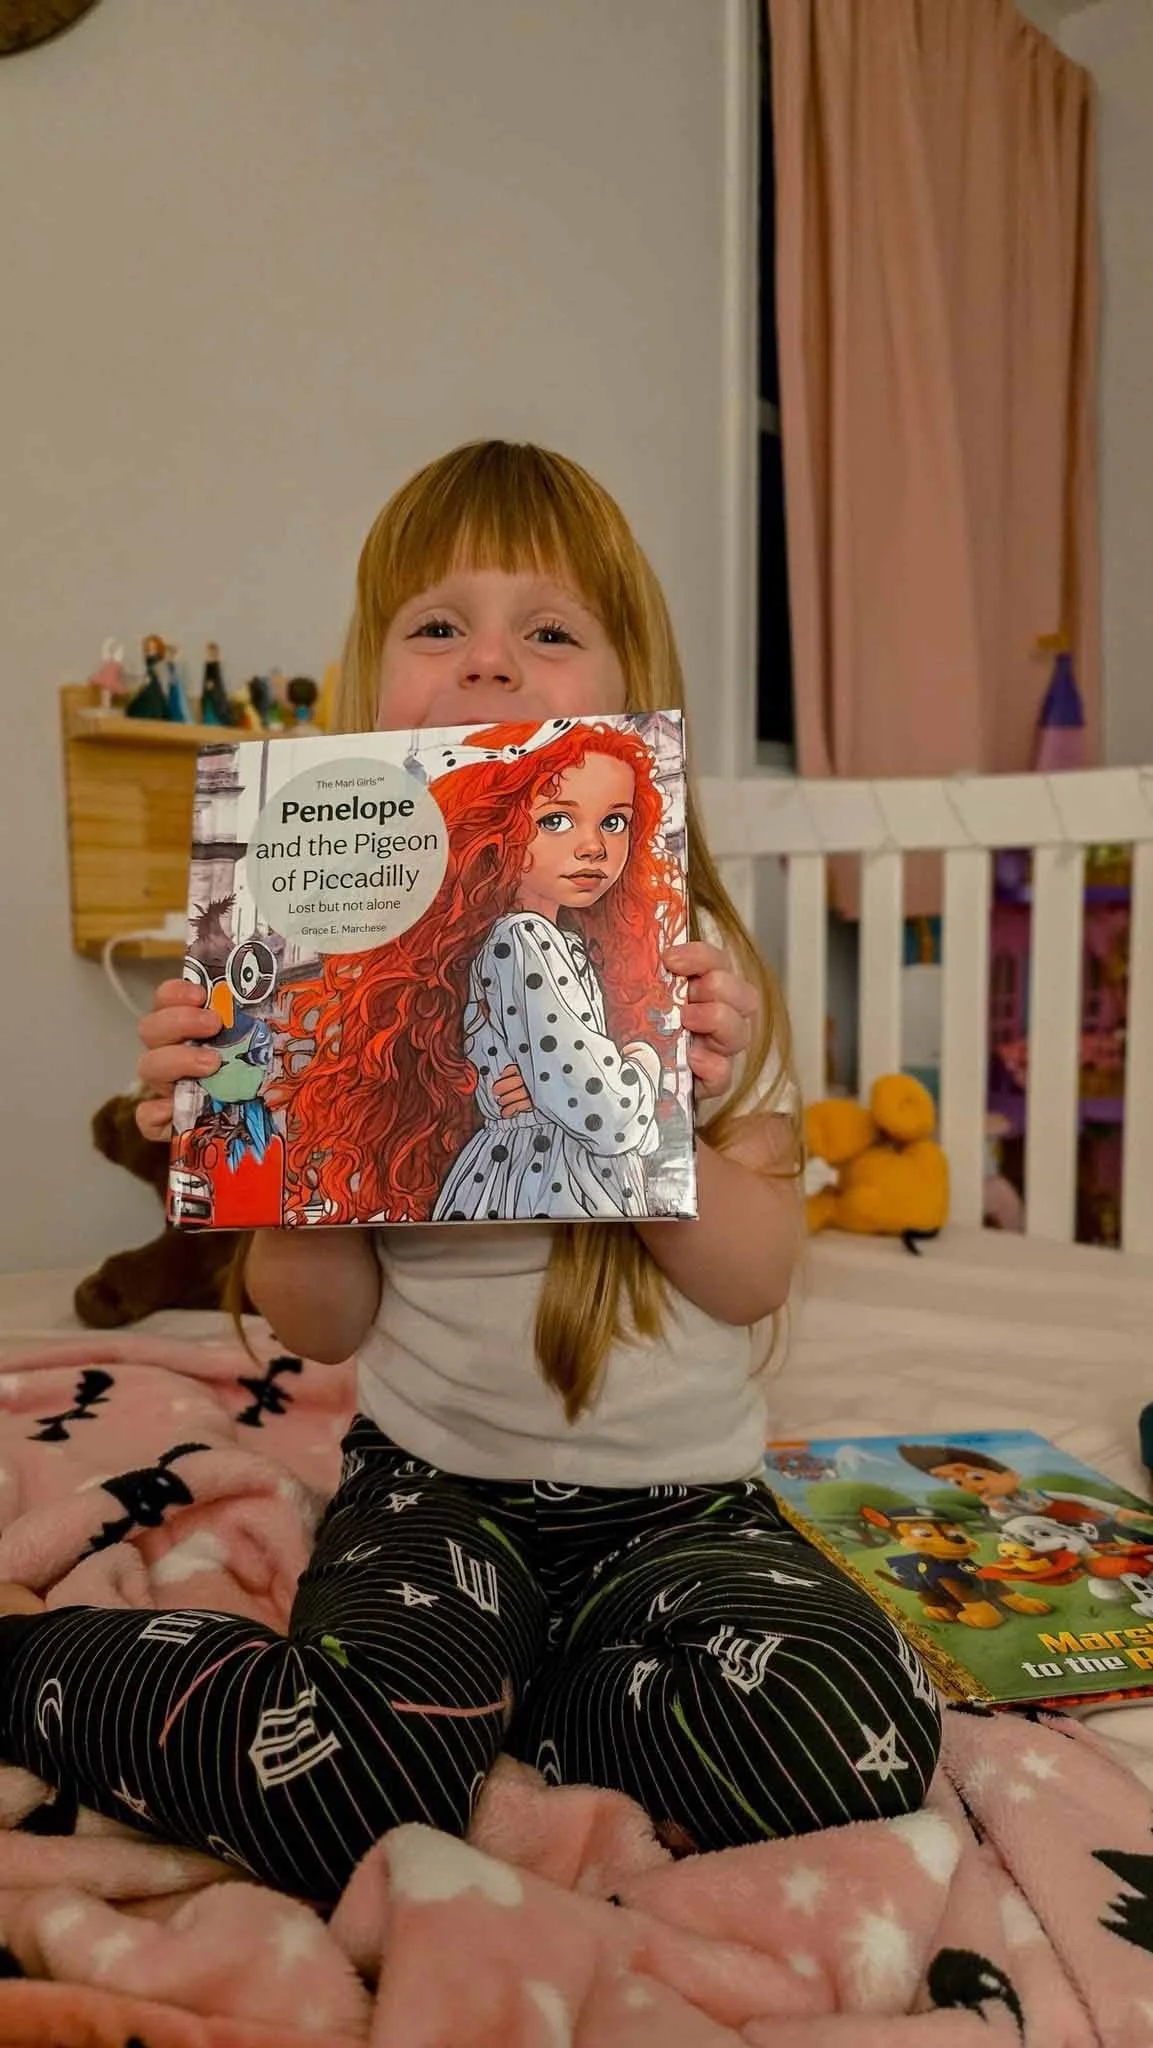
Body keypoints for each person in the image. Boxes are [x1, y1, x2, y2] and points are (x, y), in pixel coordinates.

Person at [0, 442, 941, 1904]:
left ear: (633, 705)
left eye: (548, 632)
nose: (489, 663)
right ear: (372, 692)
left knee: (853, 1729)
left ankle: (508, 1709)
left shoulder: (705, 979)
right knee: (344, 1781)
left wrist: (654, 1102)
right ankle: (43, 1663)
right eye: (437, 627)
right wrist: (253, 1143)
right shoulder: (331, 960)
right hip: (435, 1491)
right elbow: (319, 1328)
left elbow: (753, 1275)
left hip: (681, 1506)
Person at [274, 715, 684, 1226]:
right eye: (556, 820)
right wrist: (643, 1062)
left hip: (533, 1173)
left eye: (614, 821)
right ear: (497, 830)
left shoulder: (541, 940)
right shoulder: (525, 938)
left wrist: (542, 1090)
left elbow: (559, 1083)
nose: (593, 846)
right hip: (557, 1182)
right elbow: (606, 1118)